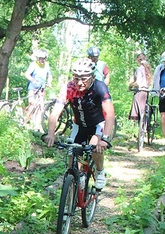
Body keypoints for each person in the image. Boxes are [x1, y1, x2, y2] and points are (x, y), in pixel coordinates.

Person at [43, 58, 115, 191]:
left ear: (92, 77)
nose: (79, 83)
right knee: (73, 155)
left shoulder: (99, 87)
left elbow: (110, 114)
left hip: (97, 125)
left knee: (94, 148)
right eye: (76, 78)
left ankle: (99, 172)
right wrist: (51, 133)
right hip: (79, 125)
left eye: (84, 79)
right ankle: (77, 178)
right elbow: (55, 113)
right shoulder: (69, 88)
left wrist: (104, 138)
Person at [24, 49, 51, 122]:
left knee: (41, 106)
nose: (42, 60)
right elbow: (27, 74)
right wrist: (33, 80)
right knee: (32, 103)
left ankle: (37, 123)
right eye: (41, 58)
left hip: (41, 88)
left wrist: (49, 82)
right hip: (32, 88)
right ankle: (26, 120)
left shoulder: (47, 65)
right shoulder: (33, 64)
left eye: (44, 58)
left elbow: (49, 75)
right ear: (38, 58)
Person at [128, 53, 153, 124]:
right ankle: (145, 126)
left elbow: (138, 82)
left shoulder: (139, 69)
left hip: (139, 92)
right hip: (146, 92)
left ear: (138, 60)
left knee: (138, 112)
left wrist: (130, 85)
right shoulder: (148, 70)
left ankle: (138, 129)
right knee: (144, 110)